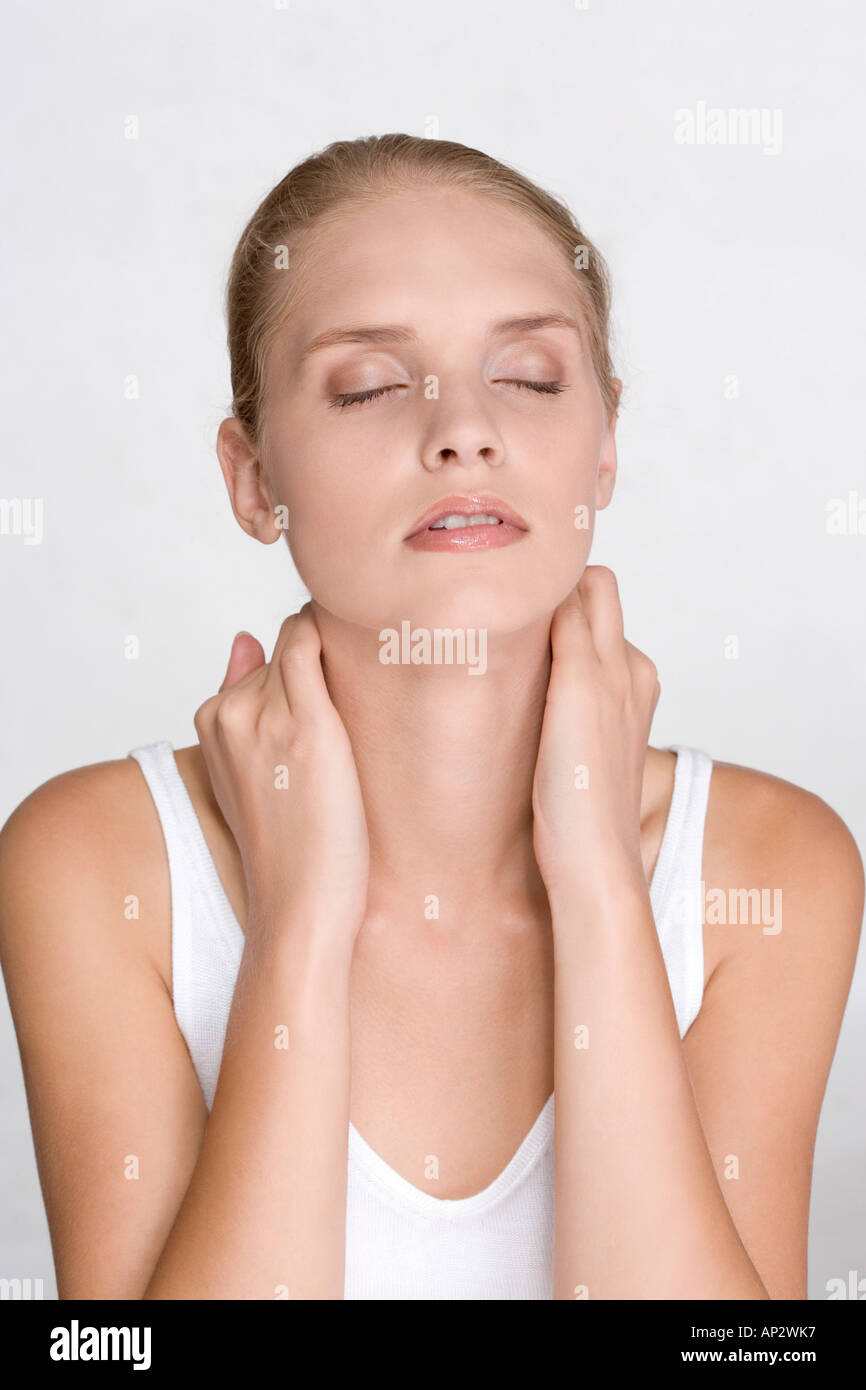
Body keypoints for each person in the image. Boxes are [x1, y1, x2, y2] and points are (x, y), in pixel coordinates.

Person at [0, 134, 862, 1301]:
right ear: (253, 479)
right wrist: (302, 918)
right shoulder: (91, 861)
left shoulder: (771, 868)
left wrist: (600, 884)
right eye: (367, 384)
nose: (461, 426)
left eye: (528, 376)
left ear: (602, 444)